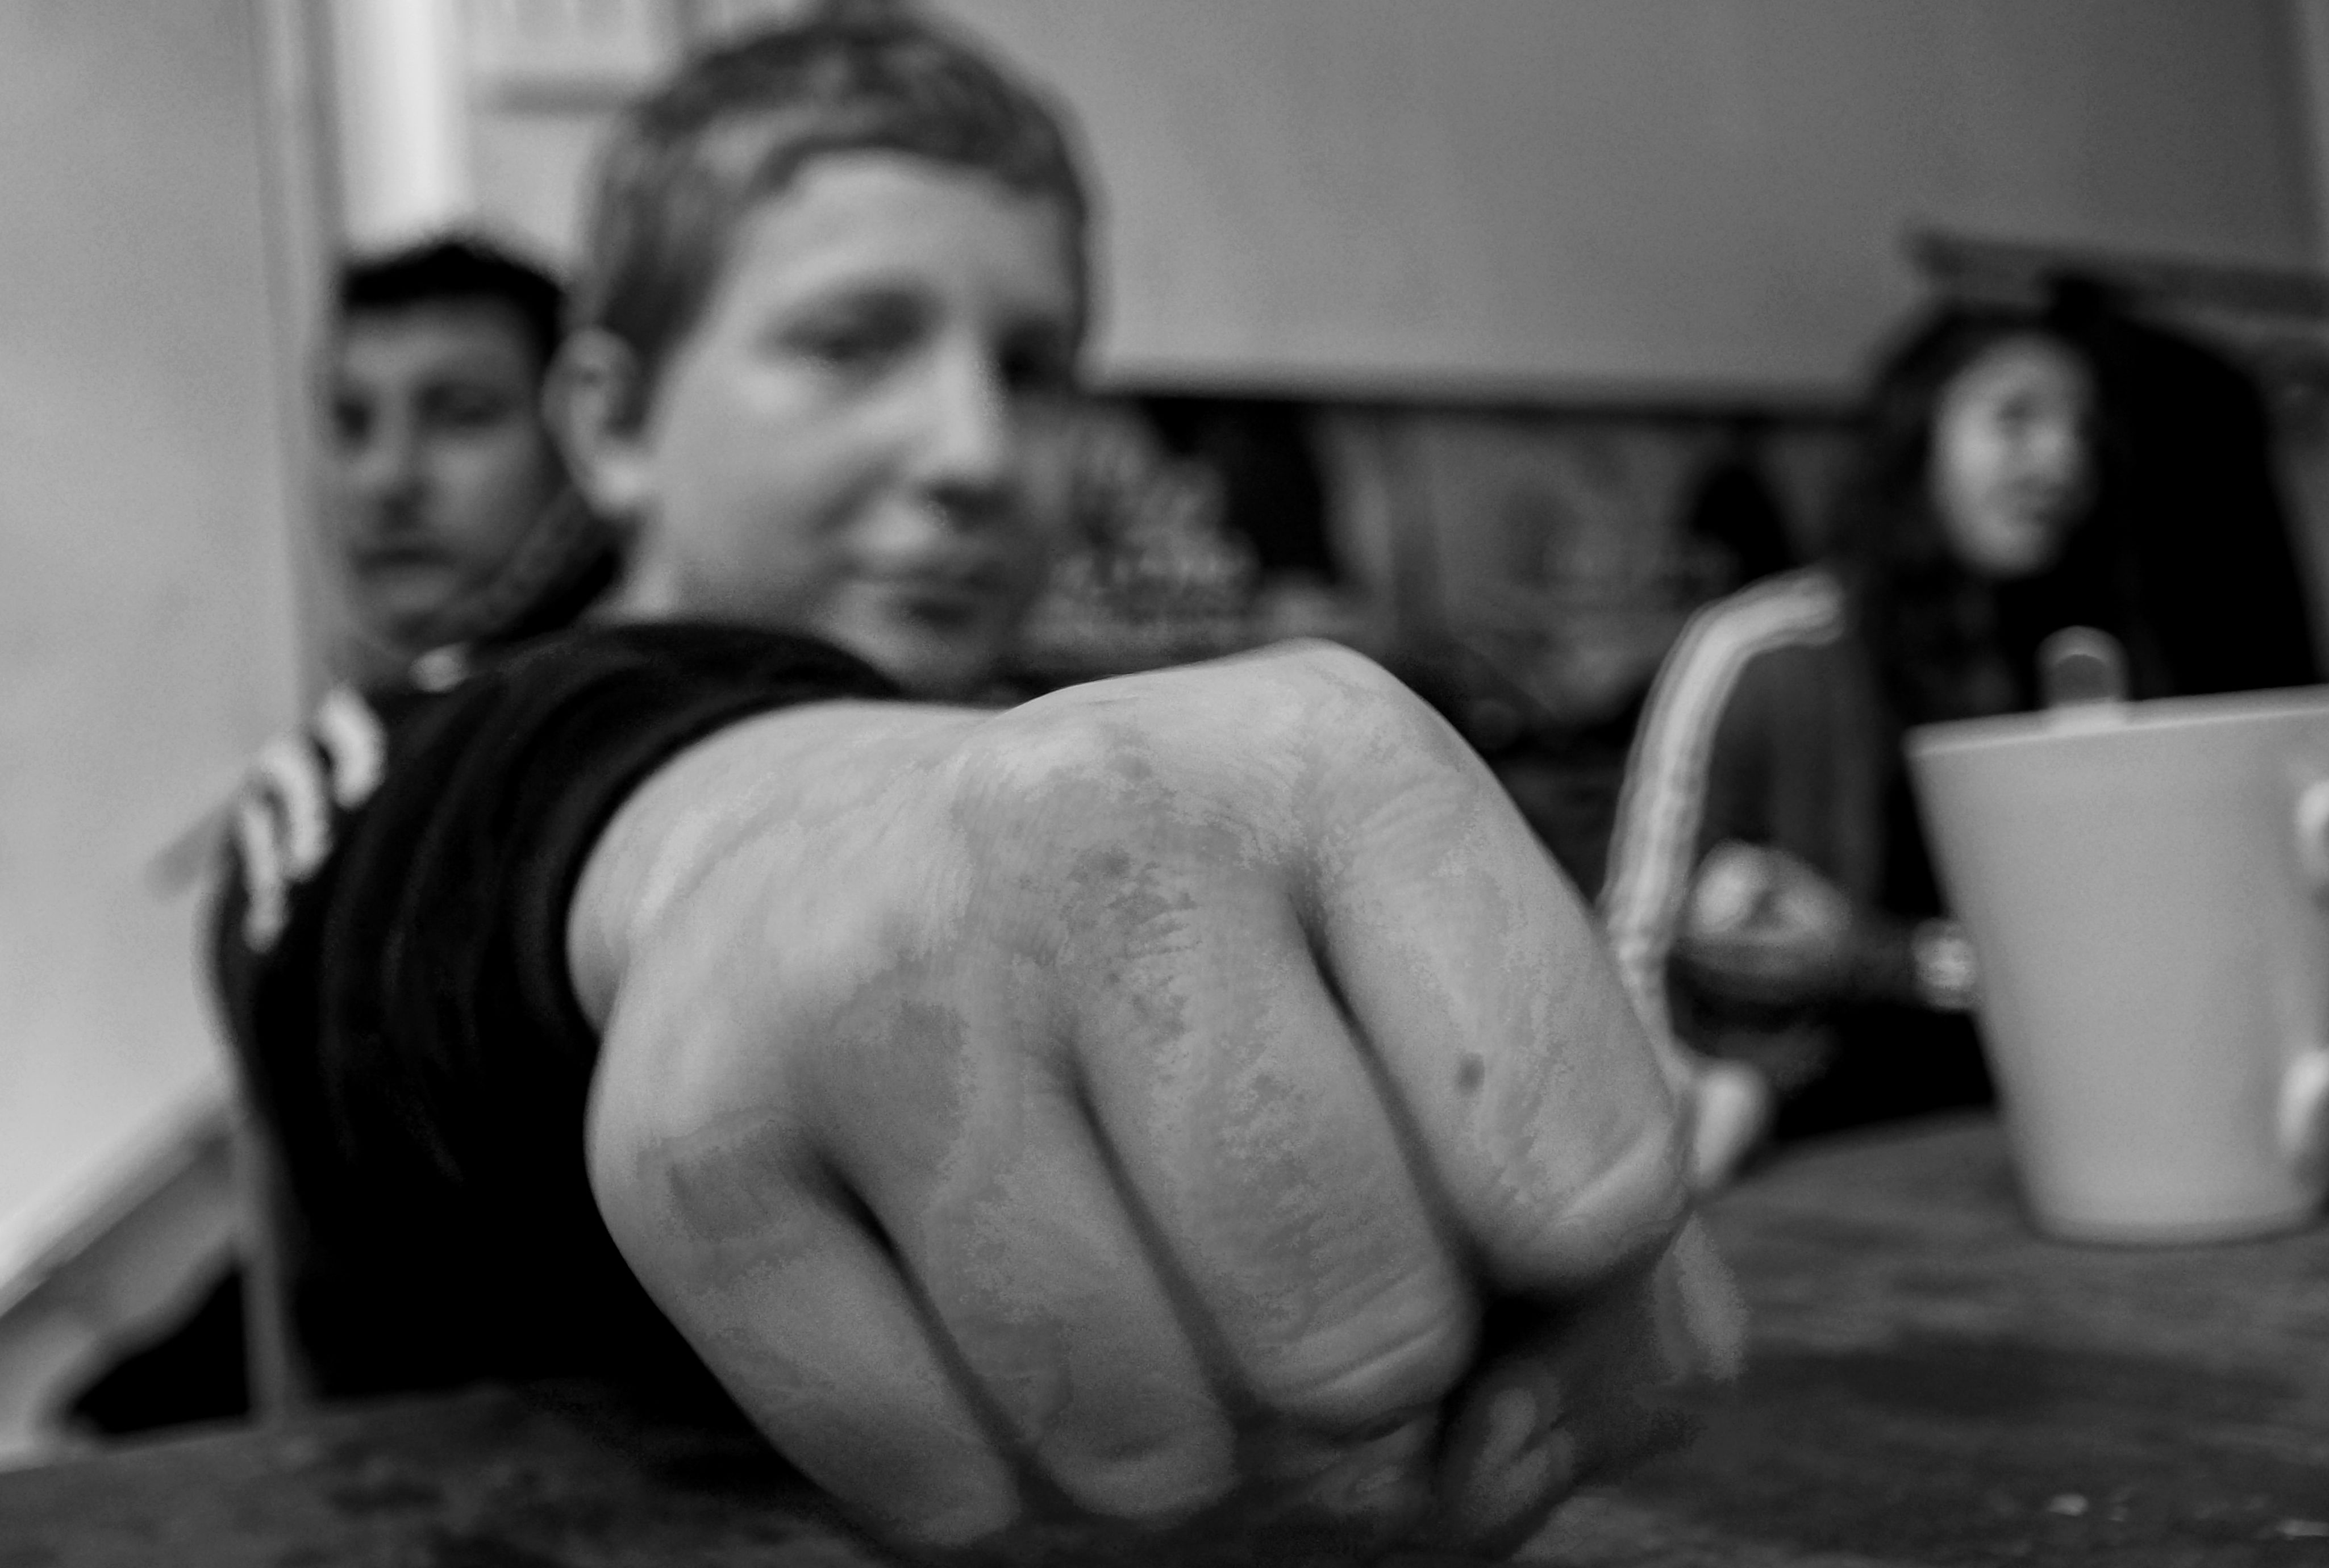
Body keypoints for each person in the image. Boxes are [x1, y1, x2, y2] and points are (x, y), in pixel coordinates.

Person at [211, 12, 1737, 1563]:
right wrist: (764, 843)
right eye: (851, 342)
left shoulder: (1047, 743)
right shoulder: (381, 770)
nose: (975, 452)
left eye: (1032, 369)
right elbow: (497, 824)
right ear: (611, 424)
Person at [1602, 304, 2133, 1181]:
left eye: (2081, 431)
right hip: (1808, 1131)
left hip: (2041, 1117)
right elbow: (1638, 937)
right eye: (2015, 418)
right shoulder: (1760, 649)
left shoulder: (2082, 664)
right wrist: (1669, 1101)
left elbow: (2097, 956)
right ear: (1914, 440)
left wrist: (1865, 957)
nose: (2062, 461)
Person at [324, 234, 620, 686]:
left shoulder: (635, 703)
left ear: (583, 434)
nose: (385, 478)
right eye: (352, 423)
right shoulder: (375, 716)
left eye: (463, 415)